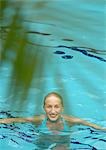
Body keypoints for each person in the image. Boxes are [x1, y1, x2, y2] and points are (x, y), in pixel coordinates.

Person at [0, 92, 106, 149]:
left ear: (62, 108)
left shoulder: (70, 120)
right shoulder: (39, 120)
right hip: (43, 142)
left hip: (62, 143)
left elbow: (89, 124)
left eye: (56, 107)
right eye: (49, 107)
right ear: (44, 108)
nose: (53, 111)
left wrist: (102, 129)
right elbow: (19, 119)